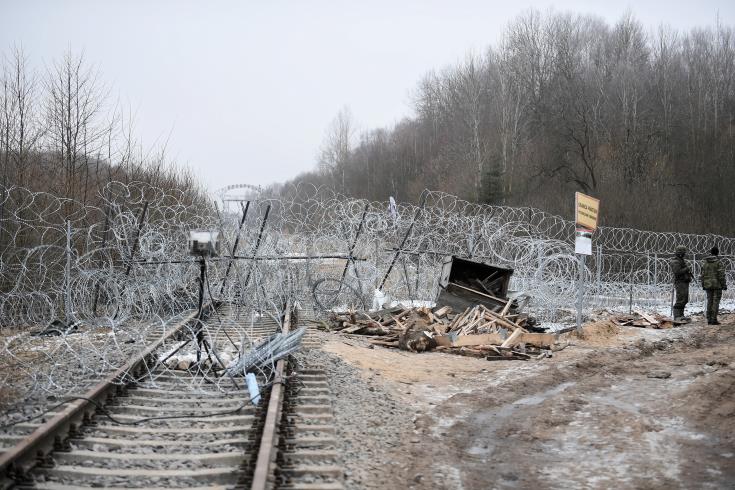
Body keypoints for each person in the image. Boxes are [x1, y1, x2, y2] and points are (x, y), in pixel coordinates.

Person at [701, 246, 727, 325]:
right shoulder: (718, 263)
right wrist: (724, 285)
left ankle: (709, 319)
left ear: (711, 252)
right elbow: (721, 275)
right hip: (717, 285)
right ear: (717, 253)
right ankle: (713, 319)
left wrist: (703, 284)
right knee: (715, 302)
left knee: (709, 301)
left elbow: (702, 275)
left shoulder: (705, 263)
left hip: (708, 285)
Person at [671, 245, 693, 321]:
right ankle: (677, 316)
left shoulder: (681, 260)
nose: (684, 254)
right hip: (680, 282)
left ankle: (681, 315)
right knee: (680, 299)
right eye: (683, 252)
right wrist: (686, 269)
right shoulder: (675, 261)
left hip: (684, 282)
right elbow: (677, 272)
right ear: (679, 253)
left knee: (684, 299)